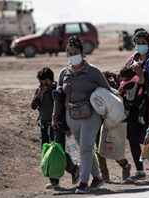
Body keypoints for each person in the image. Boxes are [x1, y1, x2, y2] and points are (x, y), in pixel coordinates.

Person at [52, 36, 110, 194]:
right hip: (72, 117)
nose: (73, 55)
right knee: (85, 148)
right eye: (70, 53)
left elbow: (107, 92)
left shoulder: (93, 71)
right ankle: (97, 178)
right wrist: (55, 118)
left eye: (76, 52)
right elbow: (58, 97)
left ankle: (84, 182)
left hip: (91, 116)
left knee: (85, 149)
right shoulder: (64, 73)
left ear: (82, 53)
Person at [31, 67, 79, 189]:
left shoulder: (57, 91)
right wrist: (40, 94)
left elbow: (62, 109)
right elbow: (33, 106)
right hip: (44, 126)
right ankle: (54, 181)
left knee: (58, 152)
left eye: (46, 83)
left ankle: (73, 169)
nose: (43, 85)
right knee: (47, 153)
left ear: (52, 80)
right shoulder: (38, 91)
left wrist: (65, 127)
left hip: (57, 126)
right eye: (41, 83)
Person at [121, 28, 149, 182]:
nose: (140, 45)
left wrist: (142, 73)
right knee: (133, 137)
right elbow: (124, 75)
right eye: (138, 43)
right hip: (133, 104)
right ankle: (140, 170)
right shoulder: (132, 59)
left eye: (143, 43)